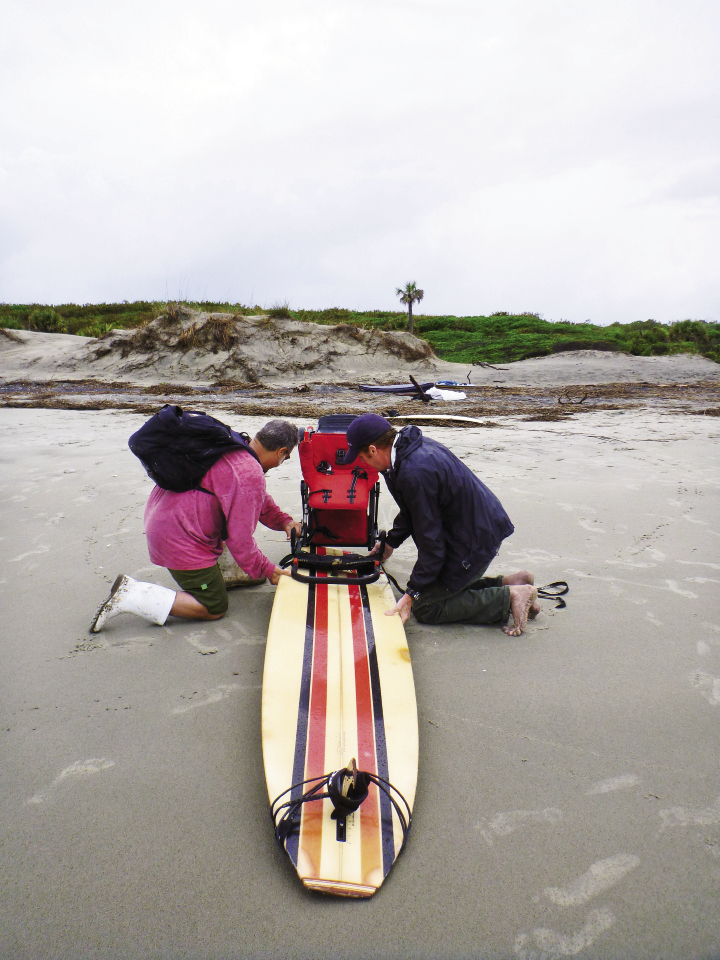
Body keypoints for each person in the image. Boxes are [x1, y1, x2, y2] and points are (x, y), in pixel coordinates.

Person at [91, 419, 301, 632]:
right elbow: (240, 540)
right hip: (179, 537)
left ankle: (219, 574)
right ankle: (132, 594)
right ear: (281, 451)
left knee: (232, 536)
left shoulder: (237, 444)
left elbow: (255, 498)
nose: (282, 462)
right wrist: (269, 570)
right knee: (215, 605)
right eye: (286, 457)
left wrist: (284, 521)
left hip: (162, 516)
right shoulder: (249, 472)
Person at [343, 413, 538, 635]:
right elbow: (412, 509)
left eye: (361, 457)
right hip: (474, 527)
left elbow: (431, 544)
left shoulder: (413, 472)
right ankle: (511, 582)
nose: (362, 463)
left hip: (474, 539)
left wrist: (411, 594)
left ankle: (511, 596)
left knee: (427, 607)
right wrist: (391, 543)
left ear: (372, 449)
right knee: (433, 589)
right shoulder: (406, 451)